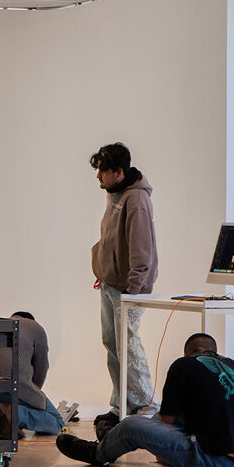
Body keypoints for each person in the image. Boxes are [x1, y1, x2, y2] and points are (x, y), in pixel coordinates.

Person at [56, 333, 234, 467]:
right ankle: (112, 438)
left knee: (131, 425)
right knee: (159, 415)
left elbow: (166, 423)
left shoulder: (183, 365)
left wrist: (163, 454)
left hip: (215, 465)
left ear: (187, 352)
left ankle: (98, 452)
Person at [89, 142, 159, 435]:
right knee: (113, 344)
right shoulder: (115, 194)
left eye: (103, 172)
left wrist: (132, 290)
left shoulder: (136, 200)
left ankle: (145, 408)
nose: (98, 178)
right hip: (110, 284)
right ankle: (121, 406)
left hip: (128, 289)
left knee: (128, 346)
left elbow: (140, 250)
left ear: (118, 171)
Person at [0, 311, 69, 437]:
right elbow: (41, 369)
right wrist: (34, 398)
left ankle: (1, 418)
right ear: (31, 320)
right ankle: (14, 414)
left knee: (4, 403)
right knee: (58, 422)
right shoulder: (35, 327)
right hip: (8, 386)